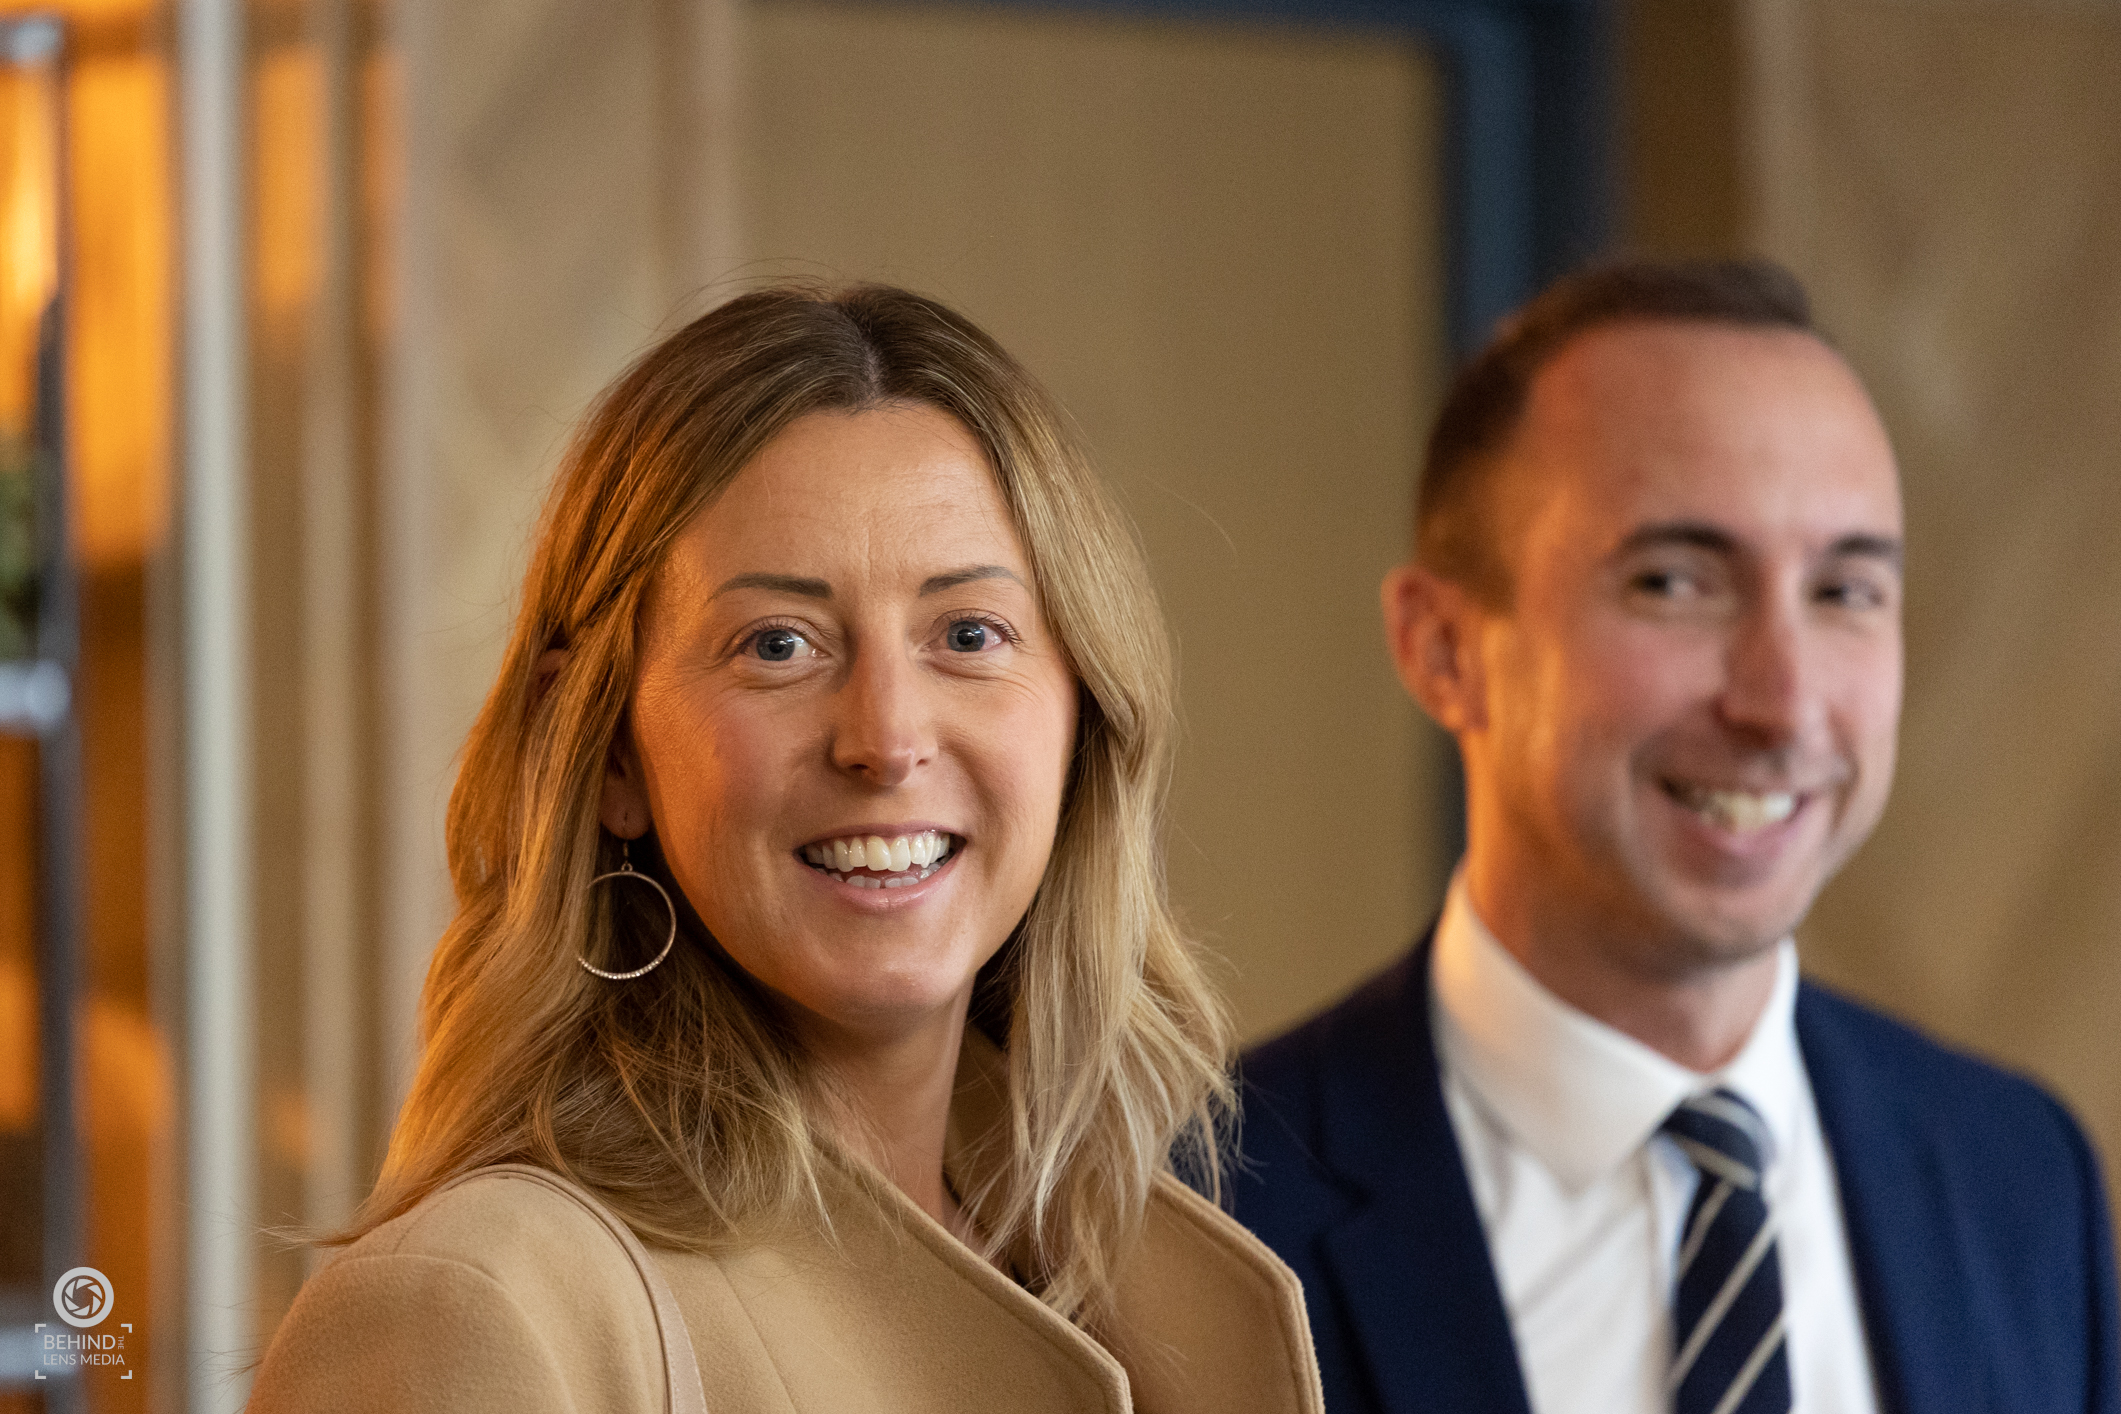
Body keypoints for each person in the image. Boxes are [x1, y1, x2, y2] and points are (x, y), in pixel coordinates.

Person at [251, 285, 1324, 1413]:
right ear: (607, 750)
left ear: (1081, 716)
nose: (886, 739)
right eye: (778, 645)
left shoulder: (1123, 1260)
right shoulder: (483, 1304)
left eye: (968, 633)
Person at [1229, 260, 2119, 1414]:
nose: (1783, 702)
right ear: (1443, 648)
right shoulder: (1200, 1216)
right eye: (1676, 582)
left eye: (1845, 592)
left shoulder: (2018, 1174)